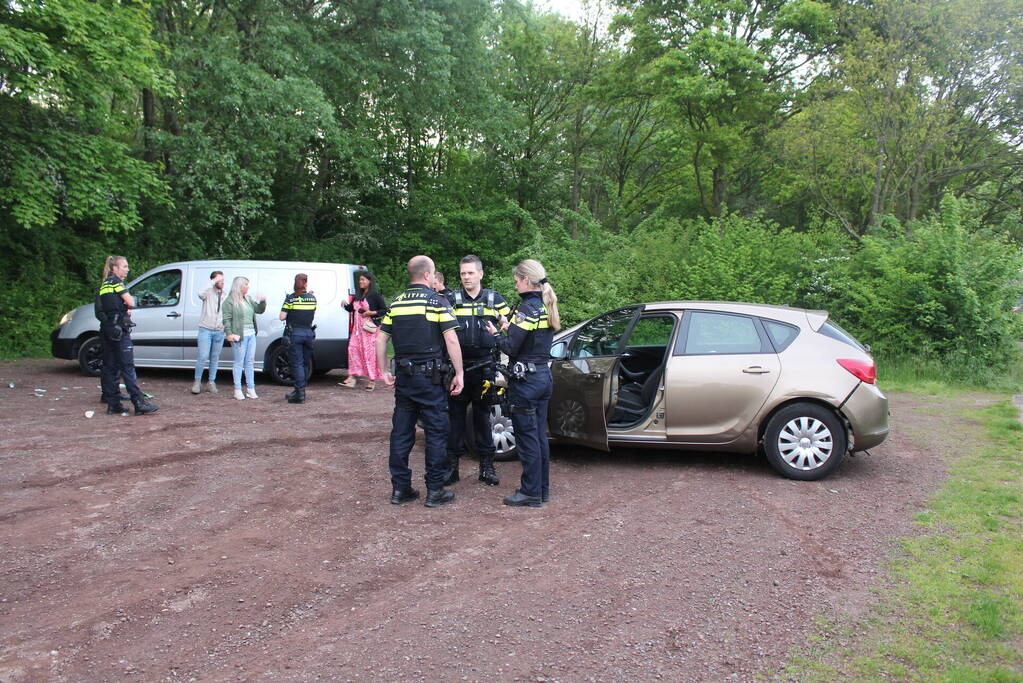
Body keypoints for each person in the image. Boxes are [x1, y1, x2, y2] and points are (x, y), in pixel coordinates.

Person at [376, 255, 464, 508]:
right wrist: (459, 373)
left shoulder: (397, 304)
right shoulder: (437, 302)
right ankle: (435, 491)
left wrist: (383, 370)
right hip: (431, 380)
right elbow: (451, 339)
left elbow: (381, 340)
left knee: (402, 433)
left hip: (404, 378)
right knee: (436, 432)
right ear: (428, 275)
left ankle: (400, 489)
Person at [486, 259, 560, 507]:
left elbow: (511, 346)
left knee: (527, 440)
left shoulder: (527, 308)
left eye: (517, 281)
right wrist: (511, 327)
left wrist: (496, 333)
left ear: (527, 280)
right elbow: (532, 338)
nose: (516, 285)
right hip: (542, 376)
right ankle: (541, 490)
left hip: (526, 381)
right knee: (539, 437)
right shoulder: (545, 305)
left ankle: (530, 493)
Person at [443, 255, 511, 487]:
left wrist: (504, 327)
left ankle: (487, 467)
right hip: (457, 367)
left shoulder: (495, 299)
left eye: (470, 273)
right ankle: (452, 468)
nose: (466, 277)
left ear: (480, 274)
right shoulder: (450, 299)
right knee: (455, 419)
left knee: (483, 418)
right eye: (463, 273)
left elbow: (511, 326)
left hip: (485, 368)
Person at [95, 255, 158, 416]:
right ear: (115, 268)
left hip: (107, 328)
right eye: (124, 266)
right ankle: (138, 403)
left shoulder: (105, 284)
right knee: (127, 367)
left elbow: (108, 305)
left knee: (110, 366)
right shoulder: (117, 282)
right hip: (119, 329)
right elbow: (131, 302)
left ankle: (113, 404)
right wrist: (126, 305)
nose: (127, 269)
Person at [339, 270, 388, 391]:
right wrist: (345, 304)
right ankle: (352, 377)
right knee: (353, 351)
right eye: (360, 280)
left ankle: (371, 380)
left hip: (369, 330)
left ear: (369, 281)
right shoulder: (358, 295)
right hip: (357, 331)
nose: (360, 282)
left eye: (363, 280)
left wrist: (372, 312)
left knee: (369, 355)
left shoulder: (375, 295)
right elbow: (351, 309)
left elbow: (384, 310)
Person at [222, 276, 266, 401]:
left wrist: (262, 301)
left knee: (250, 362)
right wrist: (229, 334)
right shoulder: (229, 301)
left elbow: (259, 310)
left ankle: (251, 389)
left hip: (251, 334)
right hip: (239, 336)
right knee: (239, 362)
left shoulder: (248, 299)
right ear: (239, 286)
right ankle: (237, 389)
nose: (248, 286)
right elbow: (226, 319)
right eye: (246, 284)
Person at [279, 273, 317, 404]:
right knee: (305, 363)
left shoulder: (291, 299)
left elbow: (282, 317)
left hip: (295, 334)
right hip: (308, 333)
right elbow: (312, 313)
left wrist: (288, 302)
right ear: (306, 283)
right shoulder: (312, 298)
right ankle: (300, 390)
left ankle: (299, 393)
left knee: (297, 364)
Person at [192, 270, 226, 394]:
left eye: (223, 280)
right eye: (219, 280)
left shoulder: (225, 294)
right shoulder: (207, 293)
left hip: (219, 330)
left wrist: (224, 327)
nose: (222, 282)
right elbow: (199, 293)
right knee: (202, 356)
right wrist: (212, 282)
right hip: (205, 328)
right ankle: (197, 382)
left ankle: (211, 382)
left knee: (215, 358)